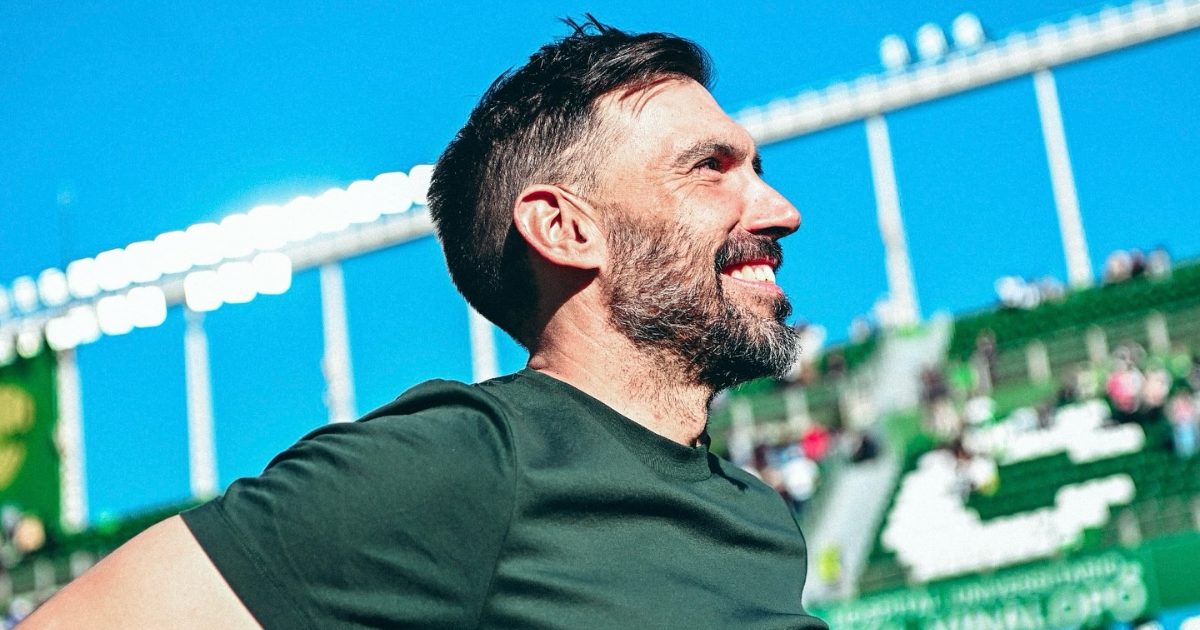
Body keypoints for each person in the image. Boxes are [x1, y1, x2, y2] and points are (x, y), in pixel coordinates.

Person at [22, 18, 826, 630]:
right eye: (709, 168)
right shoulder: (470, 462)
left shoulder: (756, 515)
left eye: (757, 169)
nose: (781, 211)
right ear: (565, 229)